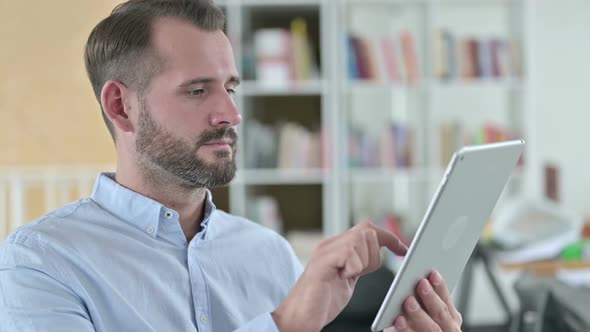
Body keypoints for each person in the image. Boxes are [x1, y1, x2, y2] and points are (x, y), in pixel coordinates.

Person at [0, 0, 463, 331]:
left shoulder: (269, 255)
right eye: (198, 90)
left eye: (231, 88)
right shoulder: (40, 265)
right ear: (121, 106)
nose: (232, 115)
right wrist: (283, 328)